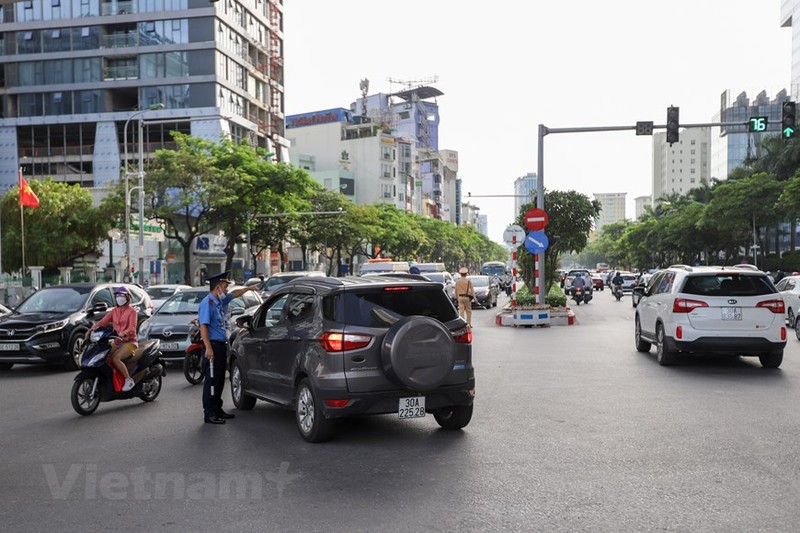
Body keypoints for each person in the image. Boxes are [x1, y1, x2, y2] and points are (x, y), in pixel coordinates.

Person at [198, 271, 260, 425]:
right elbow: (203, 327)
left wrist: (248, 289)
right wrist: (208, 348)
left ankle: (217, 409)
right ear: (217, 287)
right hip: (212, 345)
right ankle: (210, 413)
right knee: (211, 381)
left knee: (219, 380)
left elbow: (234, 294)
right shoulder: (208, 302)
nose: (226, 290)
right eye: (225, 287)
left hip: (220, 345)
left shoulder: (218, 301)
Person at [85, 286, 139, 392]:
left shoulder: (132, 312)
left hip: (129, 342)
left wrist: (124, 333)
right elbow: (102, 322)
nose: (119, 298)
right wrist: (90, 330)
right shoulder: (114, 311)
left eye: (122, 295)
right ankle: (112, 379)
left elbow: (132, 328)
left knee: (116, 358)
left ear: (127, 297)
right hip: (117, 341)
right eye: (117, 295)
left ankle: (128, 380)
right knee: (104, 356)